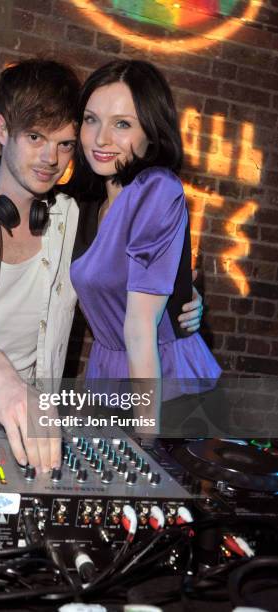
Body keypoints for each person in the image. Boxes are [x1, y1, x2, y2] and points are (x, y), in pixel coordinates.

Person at [0, 59, 203, 469]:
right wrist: (3, 381)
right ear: (1, 129)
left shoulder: (73, 217)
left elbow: (128, 273)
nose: (51, 157)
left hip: (34, 421)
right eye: (34, 137)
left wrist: (180, 298)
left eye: (65, 143)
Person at [68, 60, 221, 429]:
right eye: (91, 120)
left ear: (151, 133)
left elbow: (139, 327)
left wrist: (145, 436)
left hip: (166, 387)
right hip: (107, 379)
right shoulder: (84, 200)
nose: (101, 138)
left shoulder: (156, 189)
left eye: (122, 123)